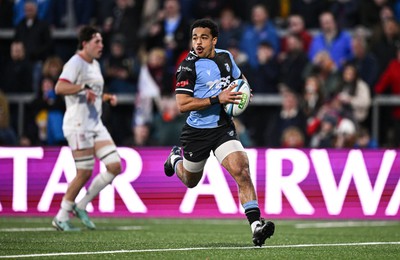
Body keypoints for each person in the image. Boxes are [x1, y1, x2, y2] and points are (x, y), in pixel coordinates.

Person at [163, 18, 275, 247]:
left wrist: (245, 90)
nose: (198, 42)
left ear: (214, 40)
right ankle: (175, 159)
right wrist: (218, 98)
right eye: (194, 38)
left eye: (203, 37)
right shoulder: (187, 67)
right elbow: (182, 105)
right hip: (197, 132)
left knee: (242, 170)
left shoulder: (226, 56)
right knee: (190, 180)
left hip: (223, 128)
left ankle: (256, 226)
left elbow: (239, 78)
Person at [52, 26, 121, 231]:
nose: (101, 45)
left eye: (101, 41)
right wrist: (82, 88)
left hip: (94, 123)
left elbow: (93, 91)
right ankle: (62, 216)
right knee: (84, 172)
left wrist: (105, 97)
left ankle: (81, 205)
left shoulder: (95, 64)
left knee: (115, 166)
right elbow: (59, 87)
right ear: (85, 44)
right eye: (96, 42)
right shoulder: (75, 62)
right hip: (78, 125)